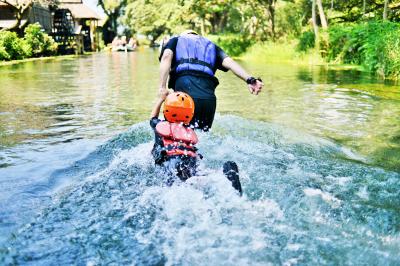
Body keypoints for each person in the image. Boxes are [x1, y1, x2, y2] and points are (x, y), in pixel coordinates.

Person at [159, 30, 264, 131]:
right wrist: (250, 80)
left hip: (185, 96)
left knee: (176, 137)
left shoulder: (176, 40)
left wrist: (162, 87)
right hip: (209, 101)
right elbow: (230, 63)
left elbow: (166, 56)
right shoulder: (212, 46)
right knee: (201, 140)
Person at [150, 90, 242, 195]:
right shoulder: (189, 132)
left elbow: (153, 118)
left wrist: (161, 99)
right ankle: (224, 175)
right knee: (193, 177)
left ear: (166, 111)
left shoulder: (160, 126)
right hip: (190, 161)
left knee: (174, 186)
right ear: (190, 114)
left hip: (172, 163)